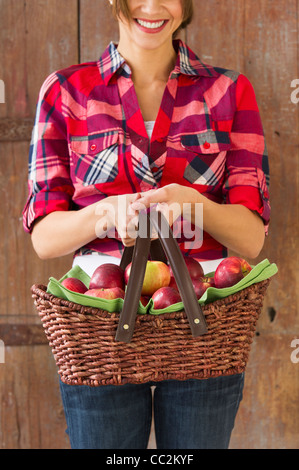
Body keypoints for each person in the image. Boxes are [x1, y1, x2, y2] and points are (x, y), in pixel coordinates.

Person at [23, 0, 270, 449]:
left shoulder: (229, 91)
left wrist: (195, 203)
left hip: (204, 320)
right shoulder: (66, 91)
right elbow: (44, 238)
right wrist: (104, 214)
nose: (153, 6)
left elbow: (251, 238)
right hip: (99, 323)